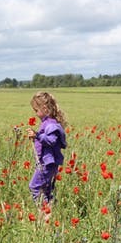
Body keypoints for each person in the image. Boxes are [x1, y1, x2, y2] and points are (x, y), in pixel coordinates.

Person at [26, 92, 67, 221]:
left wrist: (37, 135)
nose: (35, 113)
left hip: (47, 163)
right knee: (47, 190)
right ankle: (49, 216)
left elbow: (52, 140)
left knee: (34, 186)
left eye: (36, 110)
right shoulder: (47, 122)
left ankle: (43, 212)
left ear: (44, 109)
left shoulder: (51, 124)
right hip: (47, 163)